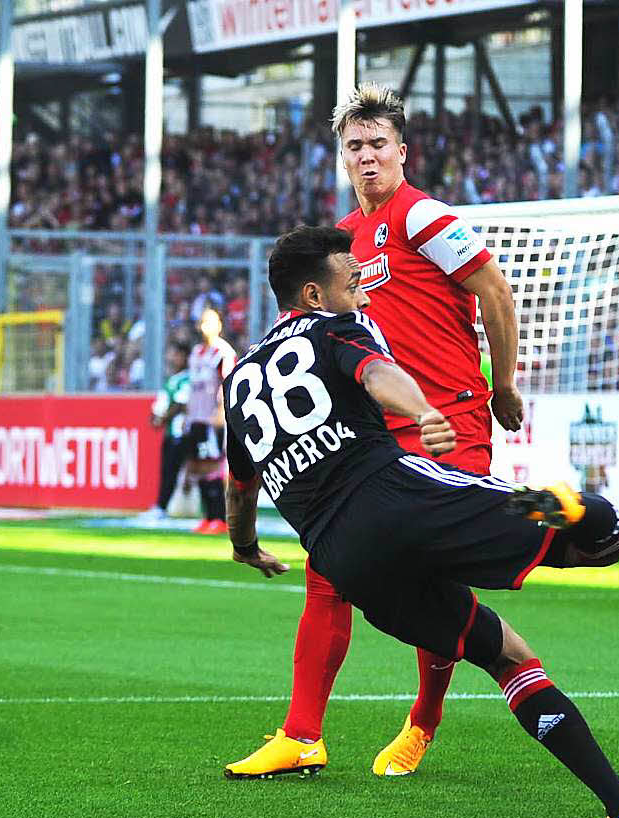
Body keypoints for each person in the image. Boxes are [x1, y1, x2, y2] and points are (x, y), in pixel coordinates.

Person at [222, 225, 619, 818]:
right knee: (603, 533)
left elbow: (239, 488)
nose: (365, 296)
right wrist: (425, 410)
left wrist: (245, 548)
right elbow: (376, 376)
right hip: (400, 497)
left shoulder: (239, 379)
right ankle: (577, 511)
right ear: (316, 295)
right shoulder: (333, 328)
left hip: (344, 559)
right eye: (354, 285)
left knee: (505, 655)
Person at [225, 83, 523, 779]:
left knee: (434, 574)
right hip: (372, 434)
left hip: (448, 419)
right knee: (328, 569)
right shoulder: (338, 244)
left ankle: (424, 718)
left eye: (378, 144)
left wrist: (502, 384)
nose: (366, 156)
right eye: (354, 146)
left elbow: (496, 292)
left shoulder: (424, 216)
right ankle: (301, 734)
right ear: (342, 156)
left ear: (401, 151)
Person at [185, 308, 236, 534]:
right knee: (199, 466)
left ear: (219, 325)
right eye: (202, 322)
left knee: (214, 466)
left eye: (210, 322)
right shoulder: (196, 352)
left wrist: (221, 411)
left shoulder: (222, 352)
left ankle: (220, 518)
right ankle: (208, 516)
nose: (205, 327)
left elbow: (229, 383)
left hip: (212, 419)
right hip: (196, 417)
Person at [144, 341, 190, 519]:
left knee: (177, 470)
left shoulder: (187, 378)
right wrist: (154, 417)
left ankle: (162, 507)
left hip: (181, 432)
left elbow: (180, 404)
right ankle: (161, 506)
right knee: (168, 470)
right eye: (172, 354)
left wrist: (162, 419)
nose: (173, 358)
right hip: (170, 432)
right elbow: (163, 404)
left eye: (177, 354)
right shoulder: (172, 379)